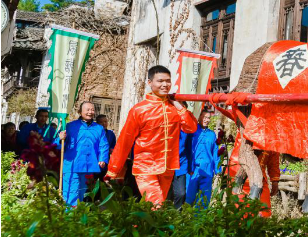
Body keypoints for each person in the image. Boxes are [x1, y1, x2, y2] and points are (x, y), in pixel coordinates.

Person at [105, 65, 197, 207]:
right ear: (150, 83)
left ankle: (141, 228)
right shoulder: (139, 110)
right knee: (157, 205)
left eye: (168, 81)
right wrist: (113, 170)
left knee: (154, 209)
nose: (165, 85)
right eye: (160, 81)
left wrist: (179, 107)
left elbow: (191, 128)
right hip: (145, 167)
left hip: (168, 167)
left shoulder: (174, 109)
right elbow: (125, 141)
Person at [56, 102, 110, 206]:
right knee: (71, 193)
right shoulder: (70, 126)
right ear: (80, 112)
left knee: (82, 193)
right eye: (88, 109)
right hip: (72, 165)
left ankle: (77, 217)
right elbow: (58, 145)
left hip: (88, 166)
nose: (90, 112)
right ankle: (69, 217)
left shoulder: (99, 128)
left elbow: (103, 145)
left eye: (92, 109)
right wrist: (60, 139)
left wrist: (102, 158)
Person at [186, 109, 219, 208]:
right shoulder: (193, 131)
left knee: (204, 197)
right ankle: (185, 219)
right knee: (189, 196)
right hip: (193, 169)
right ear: (200, 117)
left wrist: (217, 169)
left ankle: (199, 220)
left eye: (208, 118)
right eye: (204, 117)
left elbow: (215, 152)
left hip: (207, 169)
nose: (206, 120)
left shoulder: (212, 134)